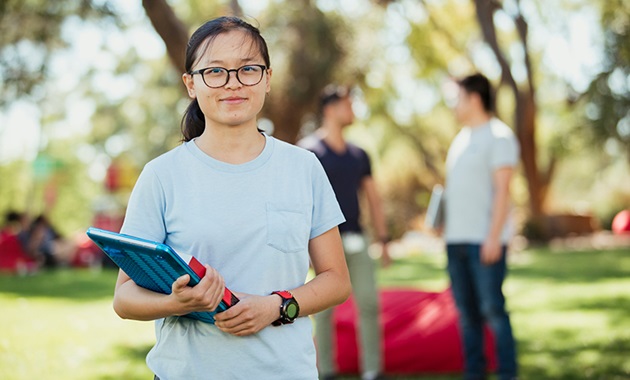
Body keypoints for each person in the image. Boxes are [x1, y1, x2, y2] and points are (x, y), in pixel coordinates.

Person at [112, 16, 351, 380]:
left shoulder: (304, 167)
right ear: (191, 84)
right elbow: (124, 298)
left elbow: (336, 280)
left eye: (247, 69)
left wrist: (277, 306)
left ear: (267, 79)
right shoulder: (161, 176)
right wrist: (176, 303)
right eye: (215, 72)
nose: (233, 84)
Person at [299, 85, 391, 380]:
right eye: (347, 104)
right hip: (323, 244)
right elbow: (301, 203)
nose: (352, 110)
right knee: (323, 311)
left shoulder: (359, 154)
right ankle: (325, 371)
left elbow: (374, 199)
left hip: (357, 239)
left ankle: (373, 372)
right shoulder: (309, 151)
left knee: (368, 304)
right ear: (330, 109)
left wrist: (384, 240)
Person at [443, 73, 519, 380]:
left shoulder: (499, 136)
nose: (454, 105)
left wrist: (493, 238)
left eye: (457, 98)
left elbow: (503, 191)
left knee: (493, 312)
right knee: (467, 317)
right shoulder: (459, 140)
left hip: (484, 242)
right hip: (455, 241)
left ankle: (507, 373)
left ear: (474, 98)